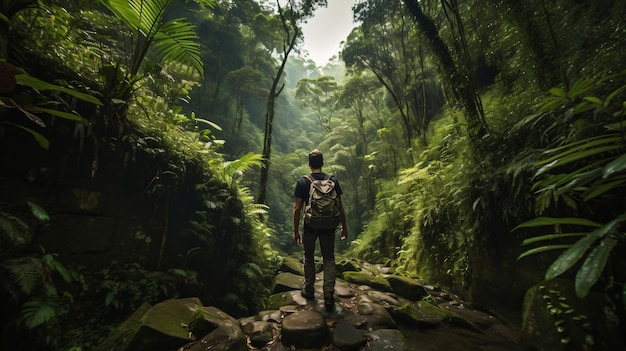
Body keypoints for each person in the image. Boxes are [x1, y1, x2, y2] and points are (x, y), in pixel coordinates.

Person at [293, 149, 348, 312]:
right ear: (322, 164)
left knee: (309, 257)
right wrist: (344, 227)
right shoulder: (333, 180)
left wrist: (295, 231)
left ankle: (309, 290)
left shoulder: (303, 182)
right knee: (329, 259)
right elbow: (340, 207)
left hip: (310, 225)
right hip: (329, 226)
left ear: (309, 164)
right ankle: (329, 296)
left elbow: (297, 209)